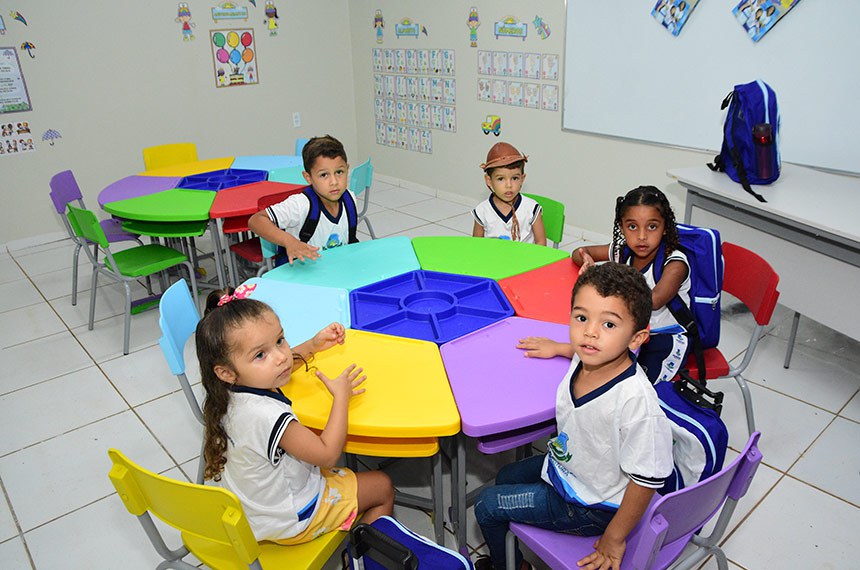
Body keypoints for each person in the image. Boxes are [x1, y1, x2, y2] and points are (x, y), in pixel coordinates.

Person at [474, 263, 673, 570]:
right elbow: (580, 349)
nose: (590, 332)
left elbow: (646, 480)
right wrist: (558, 347)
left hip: (590, 506)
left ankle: (510, 567)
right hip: (571, 468)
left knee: (486, 506)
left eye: (609, 324)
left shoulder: (637, 403)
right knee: (505, 476)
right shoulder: (590, 354)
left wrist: (615, 537)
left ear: (637, 338)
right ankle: (513, 552)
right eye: (581, 317)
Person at [196, 285, 394, 544]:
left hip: (253, 512)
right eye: (260, 354)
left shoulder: (226, 392)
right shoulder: (268, 416)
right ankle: (359, 556)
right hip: (292, 520)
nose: (281, 357)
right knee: (383, 486)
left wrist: (312, 345)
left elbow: (279, 365)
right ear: (226, 372)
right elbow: (327, 455)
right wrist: (341, 397)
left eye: (280, 340)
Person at [529, 186, 691, 384]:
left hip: (662, 336)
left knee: (624, 380)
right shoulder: (622, 250)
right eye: (632, 227)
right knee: (596, 352)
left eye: (652, 227)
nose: (641, 236)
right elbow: (579, 252)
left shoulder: (675, 263)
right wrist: (587, 259)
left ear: (665, 227)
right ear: (622, 227)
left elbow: (653, 301)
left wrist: (607, 280)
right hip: (627, 327)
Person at [249, 135, 359, 265]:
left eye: (339, 172)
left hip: (336, 268)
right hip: (304, 272)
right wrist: (290, 242)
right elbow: (255, 220)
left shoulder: (350, 199)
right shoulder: (300, 205)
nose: (334, 182)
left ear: (347, 169)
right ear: (308, 177)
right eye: (324, 175)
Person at [472, 142, 547, 245]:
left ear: (522, 179)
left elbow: (541, 242)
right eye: (501, 179)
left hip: (526, 255)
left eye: (515, 178)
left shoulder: (531, 208)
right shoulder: (482, 211)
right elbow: (476, 245)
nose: (509, 185)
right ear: (489, 180)